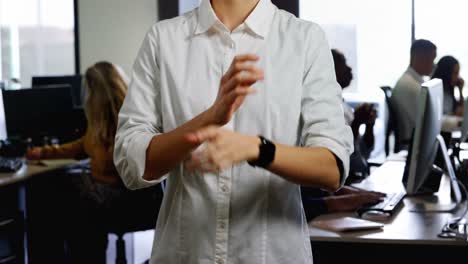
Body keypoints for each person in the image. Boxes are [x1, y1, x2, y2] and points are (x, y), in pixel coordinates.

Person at [114, 0, 353, 263]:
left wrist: (257, 149)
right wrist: (208, 119)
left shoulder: (304, 39)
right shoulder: (163, 39)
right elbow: (132, 165)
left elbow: (332, 167)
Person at [26, 62, 160, 263]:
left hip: (130, 202)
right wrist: (43, 153)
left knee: (61, 200)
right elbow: (83, 146)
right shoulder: (105, 122)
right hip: (125, 198)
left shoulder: (126, 123)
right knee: (61, 191)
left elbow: (112, 166)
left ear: (95, 93)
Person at [301, 50, 384, 221]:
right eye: (343, 64)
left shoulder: (342, 104)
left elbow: (363, 156)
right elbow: (346, 161)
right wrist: (356, 125)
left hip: (347, 181)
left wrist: (368, 126)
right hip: (345, 180)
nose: (349, 69)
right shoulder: (319, 110)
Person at [391, 39, 437, 149]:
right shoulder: (412, 87)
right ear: (420, 58)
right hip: (414, 148)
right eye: (432, 59)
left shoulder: (412, 81)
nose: (434, 65)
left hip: (415, 144)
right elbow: (428, 124)